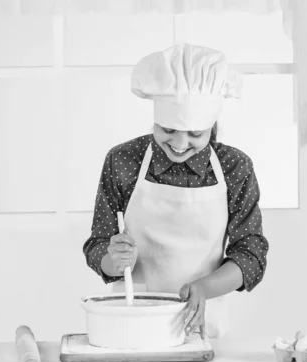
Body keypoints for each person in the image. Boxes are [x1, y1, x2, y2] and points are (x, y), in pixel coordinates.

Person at [82, 43, 269, 339]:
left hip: (200, 325)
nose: (179, 145)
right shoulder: (123, 161)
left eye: (195, 134)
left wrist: (204, 288)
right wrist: (112, 259)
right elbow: (97, 245)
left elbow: (251, 254)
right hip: (133, 322)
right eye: (167, 130)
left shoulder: (235, 167)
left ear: (212, 126)